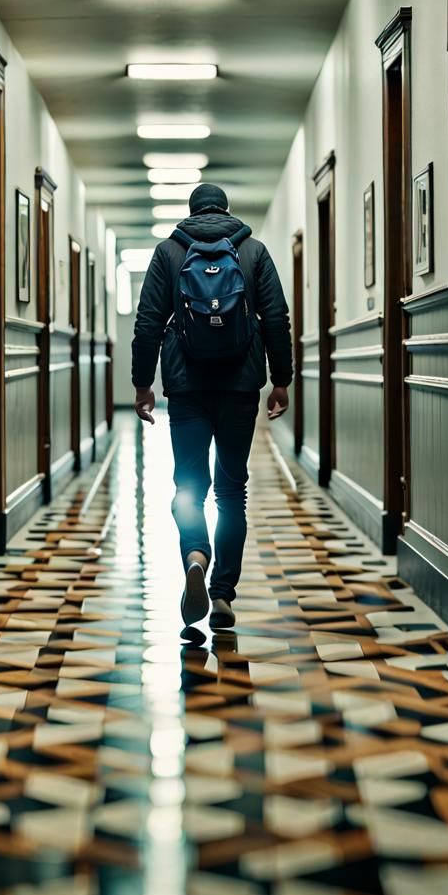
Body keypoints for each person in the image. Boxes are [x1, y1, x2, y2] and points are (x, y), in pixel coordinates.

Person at [131, 182, 293, 629]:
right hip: (241, 386)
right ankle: (222, 593)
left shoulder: (168, 253)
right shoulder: (253, 251)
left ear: (191, 212)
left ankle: (195, 556)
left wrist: (143, 384)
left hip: (186, 388)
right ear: (224, 210)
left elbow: (147, 323)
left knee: (188, 485)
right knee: (231, 491)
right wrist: (282, 381)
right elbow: (276, 318)